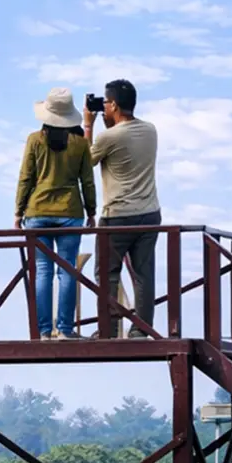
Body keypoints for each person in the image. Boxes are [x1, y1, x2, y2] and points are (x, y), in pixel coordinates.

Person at [15, 88, 97, 340]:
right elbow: (87, 181)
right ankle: (64, 329)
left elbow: (25, 178)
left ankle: (42, 331)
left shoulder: (34, 140)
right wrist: (92, 211)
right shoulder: (81, 144)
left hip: (37, 212)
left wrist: (18, 212)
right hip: (70, 212)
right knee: (68, 270)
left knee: (42, 271)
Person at [83, 78, 160, 339]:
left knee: (106, 273)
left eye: (105, 103)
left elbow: (85, 162)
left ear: (114, 104)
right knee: (143, 274)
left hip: (118, 216)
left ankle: (109, 327)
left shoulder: (108, 136)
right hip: (150, 213)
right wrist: (109, 124)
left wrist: (88, 125)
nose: (102, 106)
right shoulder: (151, 130)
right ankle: (141, 328)